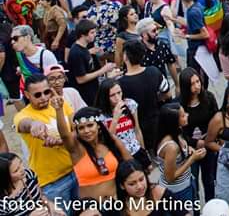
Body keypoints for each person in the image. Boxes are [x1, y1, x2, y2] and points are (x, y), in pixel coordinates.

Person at [50, 98, 132, 200]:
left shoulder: (110, 142)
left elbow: (131, 165)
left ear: (98, 126)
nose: (86, 131)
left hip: (116, 204)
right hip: (92, 210)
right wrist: (59, 110)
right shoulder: (77, 150)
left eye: (90, 125)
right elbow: (65, 136)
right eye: (81, 128)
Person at [12, 74, 76, 206]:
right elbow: (24, 124)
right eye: (37, 95)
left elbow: (76, 131)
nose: (43, 97)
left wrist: (60, 141)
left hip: (76, 171)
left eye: (46, 92)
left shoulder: (60, 104)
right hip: (51, 183)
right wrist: (34, 124)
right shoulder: (22, 115)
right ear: (27, 95)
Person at [118, 40, 171, 154]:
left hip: (135, 130)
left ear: (126, 57)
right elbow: (167, 93)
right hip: (156, 124)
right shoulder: (154, 72)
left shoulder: (120, 83)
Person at [178, 67, 218, 201]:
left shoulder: (209, 98)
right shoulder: (179, 105)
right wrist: (195, 143)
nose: (196, 86)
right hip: (189, 151)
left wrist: (210, 139)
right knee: (193, 183)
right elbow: (178, 132)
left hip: (208, 147)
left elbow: (217, 120)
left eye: (197, 82)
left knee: (209, 180)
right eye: (192, 84)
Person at [156, 102, 206, 203]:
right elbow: (170, 177)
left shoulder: (177, 132)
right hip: (177, 191)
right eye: (183, 116)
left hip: (187, 182)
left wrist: (188, 149)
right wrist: (192, 159)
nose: (187, 115)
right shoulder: (171, 147)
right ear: (174, 122)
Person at [94, 79, 149, 170]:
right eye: (112, 95)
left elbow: (137, 129)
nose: (117, 97)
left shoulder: (130, 104)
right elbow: (108, 138)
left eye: (119, 92)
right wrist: (115, 117)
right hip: (119, 155)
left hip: (136, 149)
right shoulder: (101, 115)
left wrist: (143, 150)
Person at [114, 158, 190, 216]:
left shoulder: (158, 192)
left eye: (141, 179)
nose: (140, 186)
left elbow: (184, 213)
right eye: (132, 184)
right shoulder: (115, 206)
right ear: (122, 186)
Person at [67, 19, 116, 105]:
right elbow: (81, 79)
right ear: (83, 35)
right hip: (85, 94)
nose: (95, 35)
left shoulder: (84, 49)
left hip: (93, 90)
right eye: (92, 33)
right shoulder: (76, 52)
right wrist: (103, 70)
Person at [0, 151, 62, 216]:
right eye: (16, 170)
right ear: (6, 177)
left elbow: (41, 197)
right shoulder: (2, 202)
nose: (22, 169)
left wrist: (51, 206)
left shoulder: (29, 175)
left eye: (21, 163)